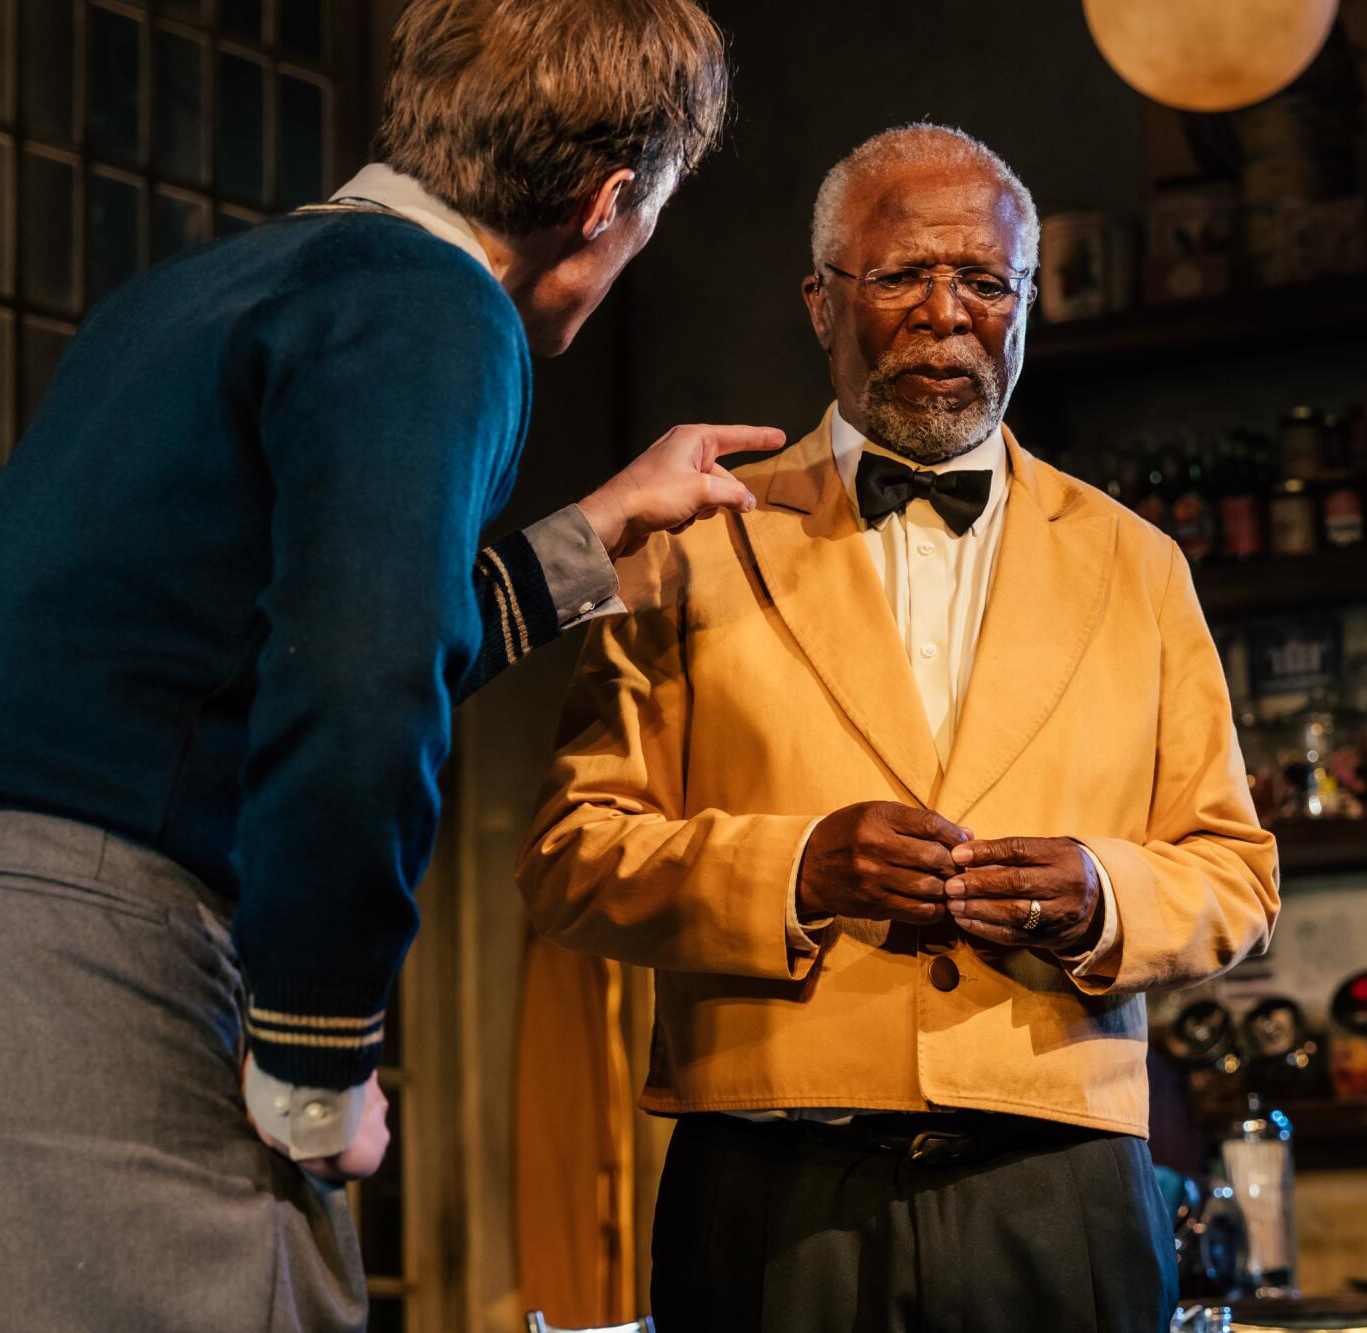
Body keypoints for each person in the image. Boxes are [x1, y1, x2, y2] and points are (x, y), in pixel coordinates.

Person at [0, 2, 768, 1328]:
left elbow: (252, 632)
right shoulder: (439, 308)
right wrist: (316, 1058)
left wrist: (581, 545)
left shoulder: (189, 295)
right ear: (610, 198)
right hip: (68, 981)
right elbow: (357, 684)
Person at [517, 123, 1281, 1333]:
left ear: (1025, 304)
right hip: (772, 1182)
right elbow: (570, 854)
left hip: (1058, 1181)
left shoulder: (1137, 566)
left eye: (984, 281)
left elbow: (1233, 873)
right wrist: (795, 872)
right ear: (821, 302)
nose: (945, 313)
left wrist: (1100, 892)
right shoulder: (695, 541)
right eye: (899, 277)